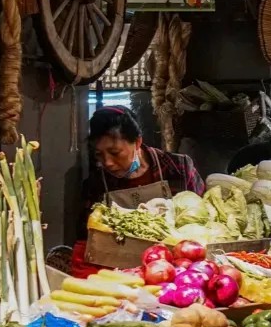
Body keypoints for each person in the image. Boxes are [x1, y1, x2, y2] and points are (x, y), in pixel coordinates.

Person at [74, 107, 205, 276]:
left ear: (137, 142)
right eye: (99, 154)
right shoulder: (97, 183)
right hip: (120, 271)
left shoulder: (178, 168)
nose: (107, 163)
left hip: (175, 269)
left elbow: (202, 217)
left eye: (114, 153)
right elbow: (88, 240)